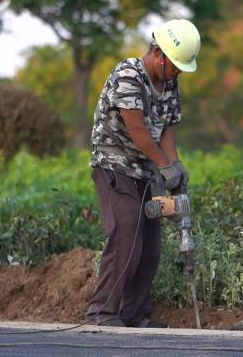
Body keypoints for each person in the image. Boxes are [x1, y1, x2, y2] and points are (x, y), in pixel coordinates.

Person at [84, 19, 200, 328]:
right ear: (159, 54)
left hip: (145, 169)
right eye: (175, 65)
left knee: (150, 246)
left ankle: (134, 315)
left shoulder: (171, 84)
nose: (177, 72)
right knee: (126, 234)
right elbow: (137, 130)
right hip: (114, 163)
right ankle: (101, 313)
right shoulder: (128, 75)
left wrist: (175, 169)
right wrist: (164, 165)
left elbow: (166, 134)